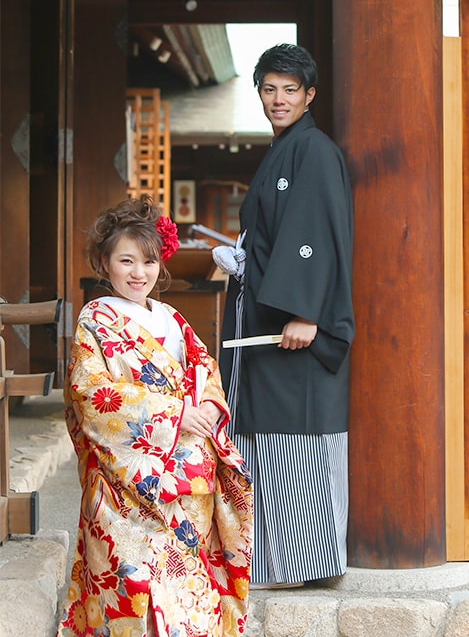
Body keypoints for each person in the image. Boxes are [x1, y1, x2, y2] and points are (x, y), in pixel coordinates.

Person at [57, 195, 253, 637]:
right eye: (126, 260)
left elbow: (206, 371)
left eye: (147, 261)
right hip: (126, 480)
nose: (138, 273)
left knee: (186, 591)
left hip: (187, 479)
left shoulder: (172, 318)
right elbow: (91, 394)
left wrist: (205, 406)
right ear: (104, 262)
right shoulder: (97, 320)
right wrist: (174, 414)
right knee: (129, 586)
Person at [215, 43, 354, 588]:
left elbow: (314, 235)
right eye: (269, 89)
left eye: (289, 90)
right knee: (267, 441)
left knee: (297, 438)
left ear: (309, 95)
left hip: (293, 324)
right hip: (264, 319)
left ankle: (303, 565)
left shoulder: (313, 151)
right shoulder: (282, 149)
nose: (278, 99)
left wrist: (305, 311)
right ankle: (273, 561)